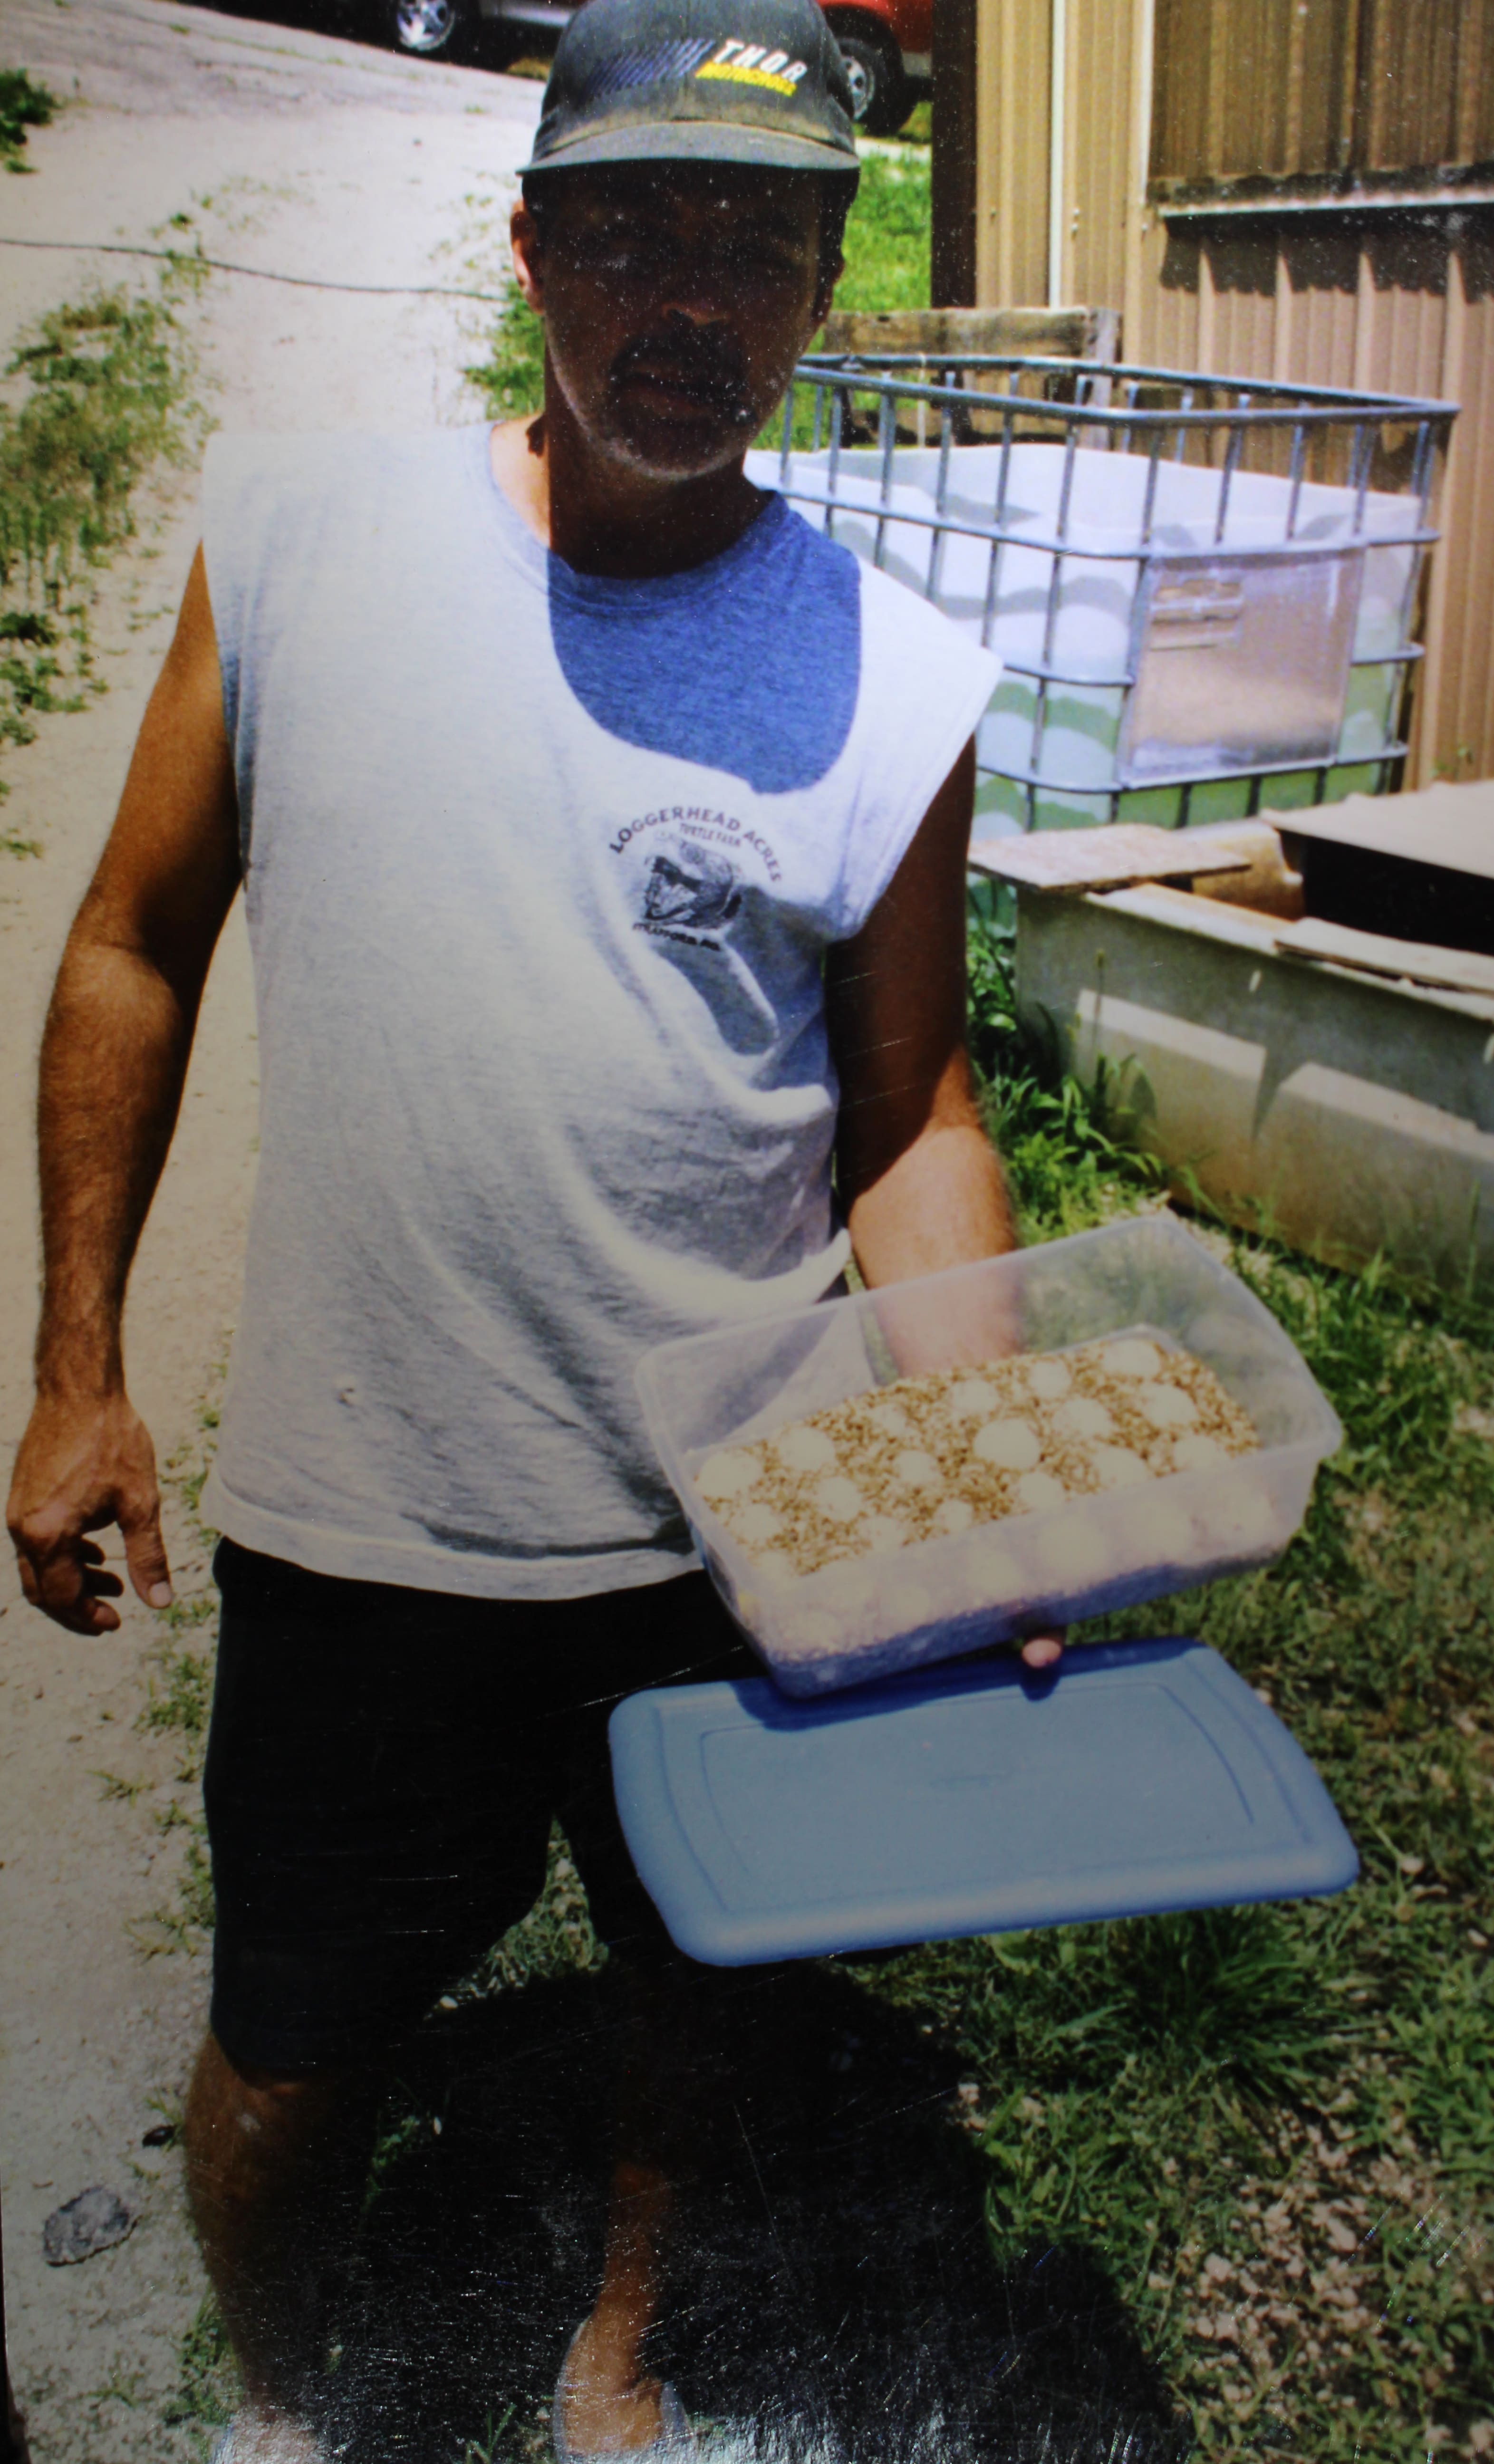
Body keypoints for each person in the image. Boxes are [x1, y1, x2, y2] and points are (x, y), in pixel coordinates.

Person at [6, 0, 1060, 2454]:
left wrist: (992, 1453)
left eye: (764, 242)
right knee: (285, 2055)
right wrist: (80, 1363)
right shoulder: (294, 548)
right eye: (637, 227)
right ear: (530, 247)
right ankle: (288, 2395)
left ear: (827, 286)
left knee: (688, 1981)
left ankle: (621, 2355)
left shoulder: (893, 678)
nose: (694, 298)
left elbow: (913, 1114)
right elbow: (130, 946)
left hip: (736, 1522)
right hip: (369, 1525)